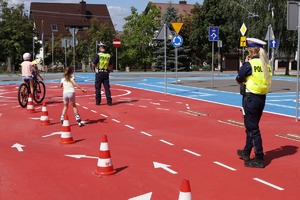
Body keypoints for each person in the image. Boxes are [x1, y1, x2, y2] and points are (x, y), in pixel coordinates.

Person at [236, 38, 272, 168]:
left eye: (247, 49)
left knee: (252, 128)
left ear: (251, 50)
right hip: (261, 98)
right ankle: (246, 151)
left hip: (250, 98)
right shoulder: (266, 64)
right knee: (252, 126)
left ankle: (259, 158)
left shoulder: (249, 64)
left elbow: (239, 78)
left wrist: (245, 64)